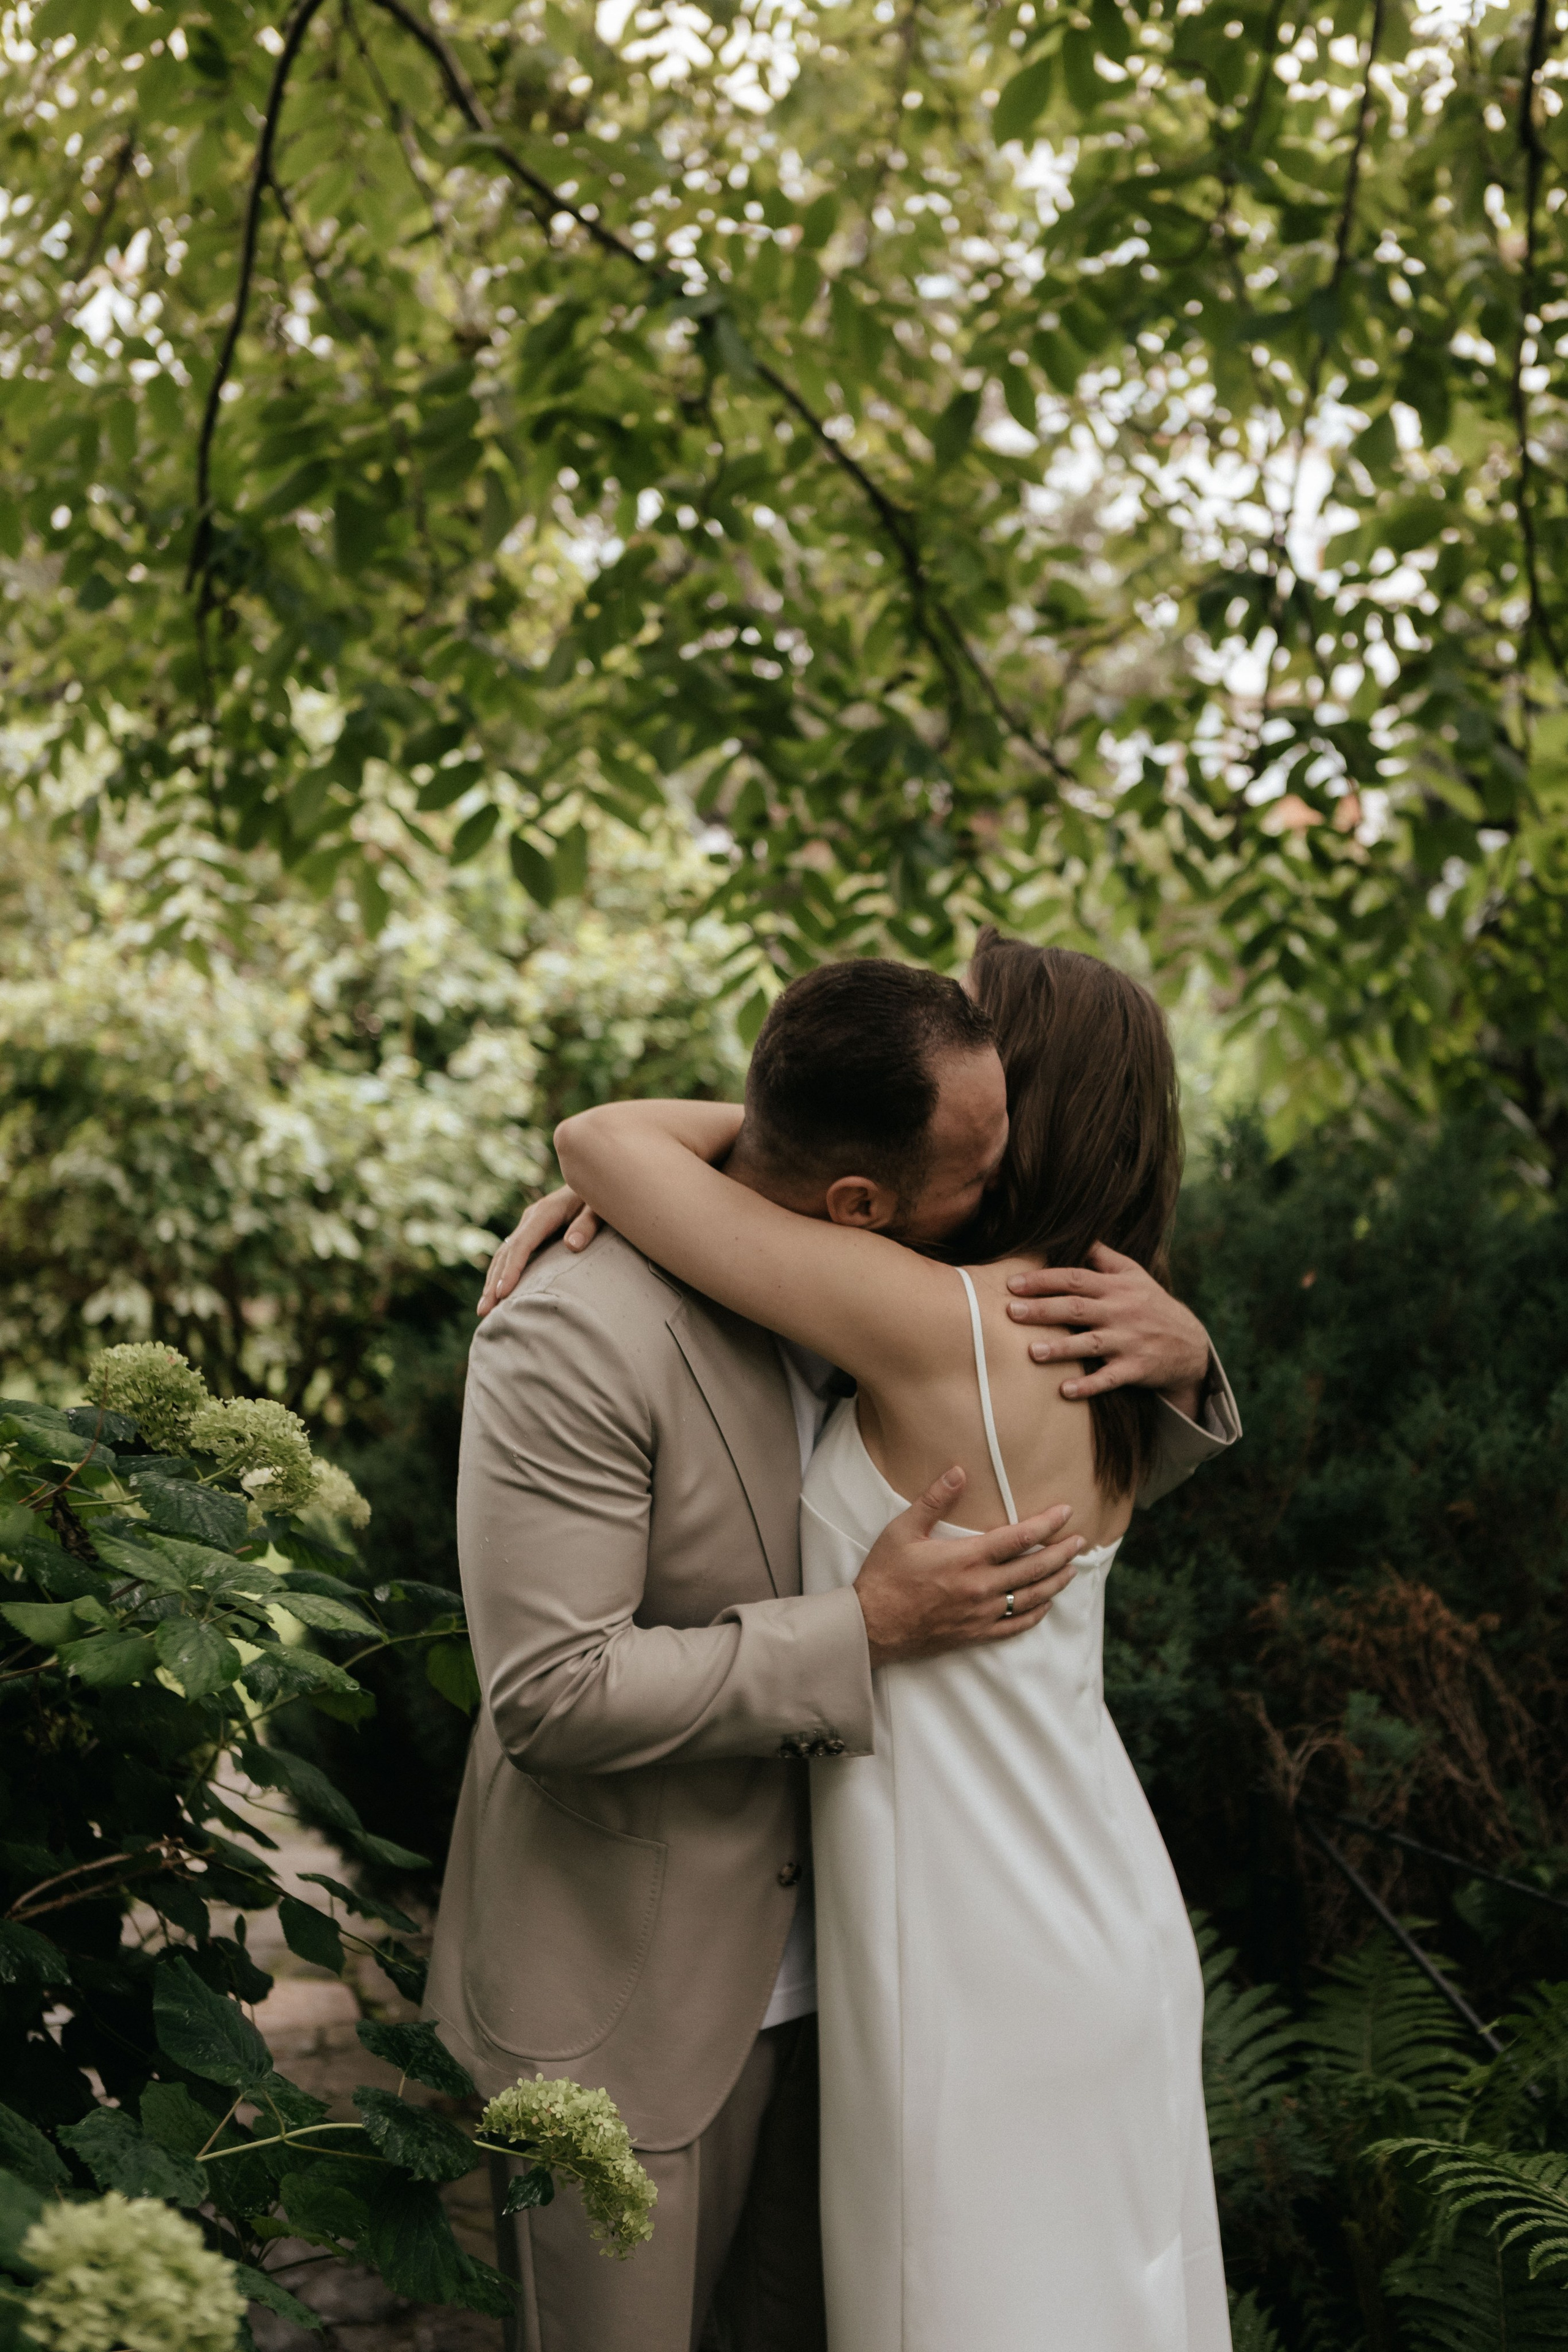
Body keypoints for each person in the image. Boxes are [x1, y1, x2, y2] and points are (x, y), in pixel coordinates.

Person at [427, 955, 1239, 2352]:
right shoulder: (596, 1321)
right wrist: (861, 1628)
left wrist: (678, 1162)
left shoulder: (957, 1327)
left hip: (952, 1960)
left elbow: (604, 1137)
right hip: (703, 1999)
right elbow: (551, 1693)